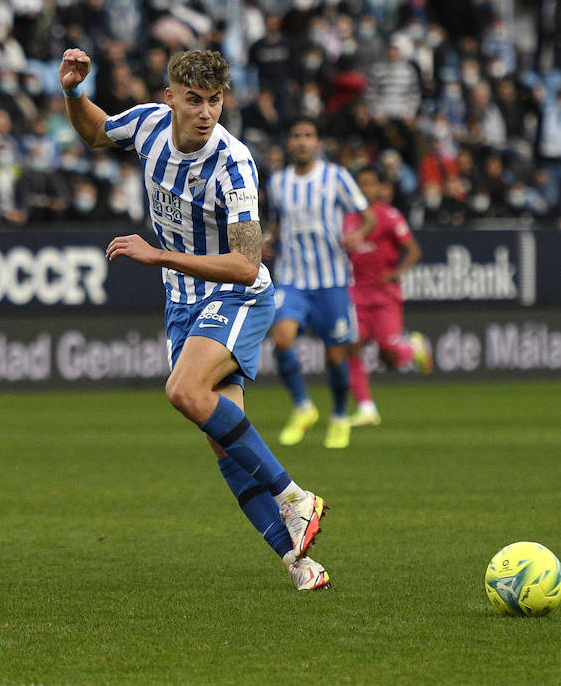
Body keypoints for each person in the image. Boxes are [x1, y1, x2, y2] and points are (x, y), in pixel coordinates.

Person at [60, 47, 332, 591]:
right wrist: (72, 93)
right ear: (171, 100)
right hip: (183, 303)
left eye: (215, 101)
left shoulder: (234, 164)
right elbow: (95, 132)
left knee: (183, 391)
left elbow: (246, 262)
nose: (206, 113)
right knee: (222, 440)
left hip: (238, 296)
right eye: (194, 101)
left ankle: (296, 498)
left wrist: (157, 254)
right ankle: (297, 563)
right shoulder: (147, 125)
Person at [267, 117, 376, 450]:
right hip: (292, 278)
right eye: (296, 135)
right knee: (282, 339)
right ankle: (303, 407)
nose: (301, 141)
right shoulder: (278, 182)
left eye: (308, 136)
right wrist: (266, 239)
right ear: (289, 143)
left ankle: (340, 415)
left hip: (331, 280)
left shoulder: (336, 177)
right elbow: (275, 223)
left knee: (334, 356)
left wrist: (356, 234)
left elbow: (368, 216)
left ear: (318, 142)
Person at [343, 167, 433, 427]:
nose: (365, 190)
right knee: (353, 347)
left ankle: (412, 348)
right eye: (361, 185)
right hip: (356, 295)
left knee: (389, 354)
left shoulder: (390, 216)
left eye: (370, 184)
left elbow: (413, 250)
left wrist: (396, 272)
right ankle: (366, 408)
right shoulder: (347, 218)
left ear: (379, 188)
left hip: (384, 295)